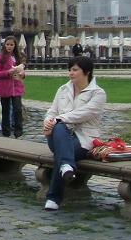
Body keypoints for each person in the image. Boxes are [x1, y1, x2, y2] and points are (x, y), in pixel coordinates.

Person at [42, 56, 106, 211]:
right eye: (70, 69)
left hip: (84, 139)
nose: (71, 73)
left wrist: (58, 119)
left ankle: (53, 198)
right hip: (58, 136)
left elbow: (85, 113)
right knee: (59, 128)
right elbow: (52, 111)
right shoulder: (63, 89)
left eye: (75, 70)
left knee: (61, 153)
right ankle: (67, 165)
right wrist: (48, 122)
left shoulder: (98, 93)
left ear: (87, 72)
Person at [0, 35, 26, 138]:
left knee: (18, 109)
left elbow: (22, 71)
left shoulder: (18, 57)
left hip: (16, 86)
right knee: (6, 110)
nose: (9, 46)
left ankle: (18, 132)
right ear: (4, 45)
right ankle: (6, 132)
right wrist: (8, 72)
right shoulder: (0, 57)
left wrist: (22, 74)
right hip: (5, 88)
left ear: (15, 46)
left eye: (11, 45)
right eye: (7, 44)